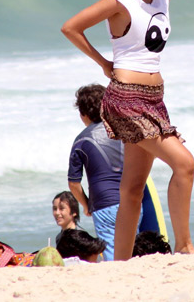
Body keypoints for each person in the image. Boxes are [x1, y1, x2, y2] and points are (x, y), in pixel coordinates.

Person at [61, 0, 194, 259]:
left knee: (133, 190)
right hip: (126, 99)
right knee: (185, 164)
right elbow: (71, 27)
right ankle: (184, 245)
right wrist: (103, 64)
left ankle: (121, 264)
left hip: (154, 99)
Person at [68, 83, 126, 261]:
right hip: (132, 200)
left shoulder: (81, 140)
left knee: (112, 254)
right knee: (131, 247)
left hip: (104, 204)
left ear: (83, 114)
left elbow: (74, 183)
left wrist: (86, 205)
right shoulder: (124, 131)